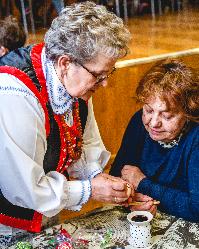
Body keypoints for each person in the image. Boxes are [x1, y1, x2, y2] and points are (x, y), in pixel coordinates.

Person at [0, 1, 131, 236]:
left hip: (46, 209)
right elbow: (24, 188)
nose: (105, 83)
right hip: (8, 219)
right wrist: (89, 190)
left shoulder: (73, 79)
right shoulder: (15, 93)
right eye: (99, 75)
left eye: (109, 73)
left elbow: (83, 141)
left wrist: (95, 176)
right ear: (65, 63)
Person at [110, 58, 199, 222]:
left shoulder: (196, 137)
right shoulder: (139, 121)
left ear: (188, 113)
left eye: (167, 115)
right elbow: (118, 174)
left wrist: (143, 184)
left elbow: (197, 208)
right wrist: (132, 198)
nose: (153, 123)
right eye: (149, 110)